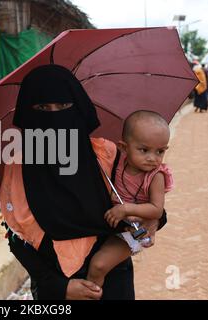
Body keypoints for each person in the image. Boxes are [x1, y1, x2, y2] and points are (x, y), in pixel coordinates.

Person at [0, 64, 167, 300]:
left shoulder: (103, 153)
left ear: (78, 107)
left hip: (112, 278)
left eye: (64, 106)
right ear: (28, 113)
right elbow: (16, 236)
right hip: (57, 288)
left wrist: (154, 218)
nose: (54, 115)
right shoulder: (19, 165)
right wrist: (59, 287)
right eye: (42, 107)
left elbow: (144, 198)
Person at [87, 111, 173, 288]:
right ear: (124, 148)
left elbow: (156, 210)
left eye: (160, 151)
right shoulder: (119, 162)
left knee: (98, 265)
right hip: (115, 227)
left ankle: (91, 293)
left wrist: (126, 209)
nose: (152, 158)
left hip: (136, 231)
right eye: (144, 150)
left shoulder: (156, 176)